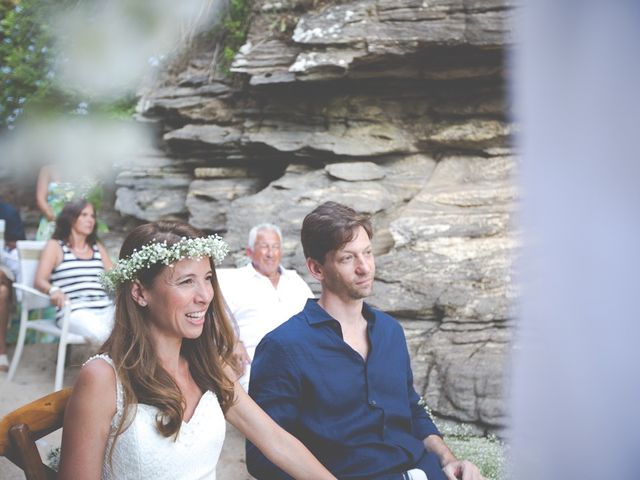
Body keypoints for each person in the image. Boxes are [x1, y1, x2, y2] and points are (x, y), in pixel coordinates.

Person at [57, 221, 336, 480]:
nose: (205, 296)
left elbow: (276, 440)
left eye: (207, 278)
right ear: (140, 293)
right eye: (186, 281)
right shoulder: (103, 379)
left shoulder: (208, 366)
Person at [247, 201, 485, 480]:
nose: (364, 267)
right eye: (348, 258)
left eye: (368, 253)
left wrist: (450, 460)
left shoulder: (390, 331)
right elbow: (264, 458)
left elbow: (411, 409)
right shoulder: (284, 347)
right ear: (316, 269)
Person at [218, 223, 314, 390]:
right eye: (264, 247)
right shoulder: (234, 281)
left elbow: (315, 317)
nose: (270, 253)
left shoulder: (295, 280)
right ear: (249, 252)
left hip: (301, 363)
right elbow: (216, 315)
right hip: (254, 366)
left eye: (275, 247)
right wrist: (232, 342)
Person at [34, 199, 114, 344]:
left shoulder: (97, 247)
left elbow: (115, 277)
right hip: (75, 312)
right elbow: (39, 280)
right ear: (71, 219)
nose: (90, 220)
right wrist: (53, 290)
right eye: (84, 215)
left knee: (136, 327)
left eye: (92, 216)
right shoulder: (55, 246)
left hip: (106, 309)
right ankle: (115, 367)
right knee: (105, 335)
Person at [35, 163, 103, 240]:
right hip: (52, 221)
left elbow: (94, 199)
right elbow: (40, 199)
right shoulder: (47, 170)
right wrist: (54, 218)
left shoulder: (88, 170)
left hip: (79, 223)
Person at [0, 200, 26, 372]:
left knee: (2, 291)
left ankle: (1, 350)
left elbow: (20, 246)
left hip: (3, 263)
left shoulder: (8, 212)